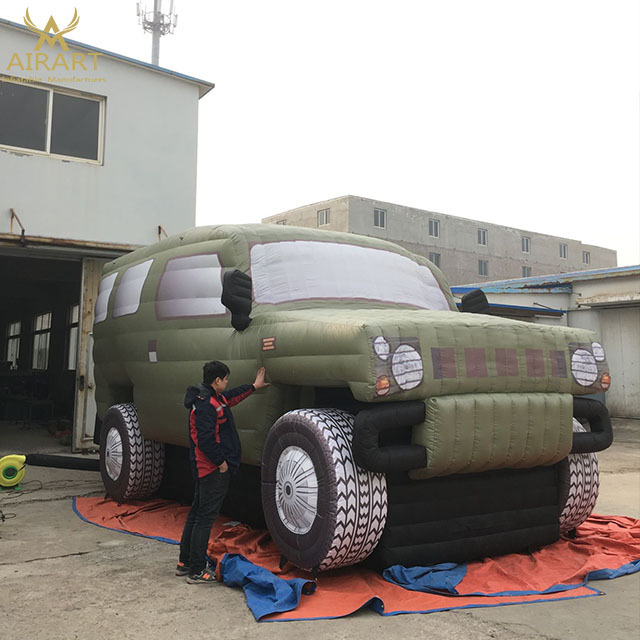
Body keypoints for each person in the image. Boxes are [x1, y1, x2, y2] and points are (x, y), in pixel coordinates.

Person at [177, 361, 269, 583]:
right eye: (226, 379)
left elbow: (231, 397)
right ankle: (197, 570)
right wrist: (221, 463)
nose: (227, 383)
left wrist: (254, 386)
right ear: (217, 380)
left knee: (198, 512)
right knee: (204, 518)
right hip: (210, 469)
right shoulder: (206, 404)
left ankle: (186, 561)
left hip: (206, 467)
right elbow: (206, 439)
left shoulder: (212, 397)